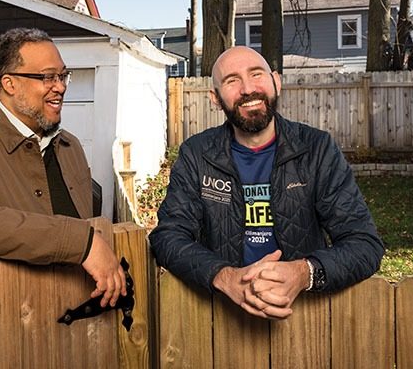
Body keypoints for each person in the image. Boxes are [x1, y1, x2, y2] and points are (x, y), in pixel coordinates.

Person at [150, 46, 384, 319]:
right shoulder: (197, 154)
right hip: (220, 320)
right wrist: (225, 278)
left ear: (277, 81)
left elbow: (365, 244)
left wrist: (303, 273)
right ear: (215, 98)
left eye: (256, 74)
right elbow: (168, 236)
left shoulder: (316, 149)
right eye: (232, 81)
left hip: (305, 319)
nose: (247, 89)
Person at [0, 27, 126, 307]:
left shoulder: (70, 147)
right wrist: (81, 242)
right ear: (9, 84)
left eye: (63, 75)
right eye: (47, 77)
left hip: (76, 326)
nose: (61, 86)